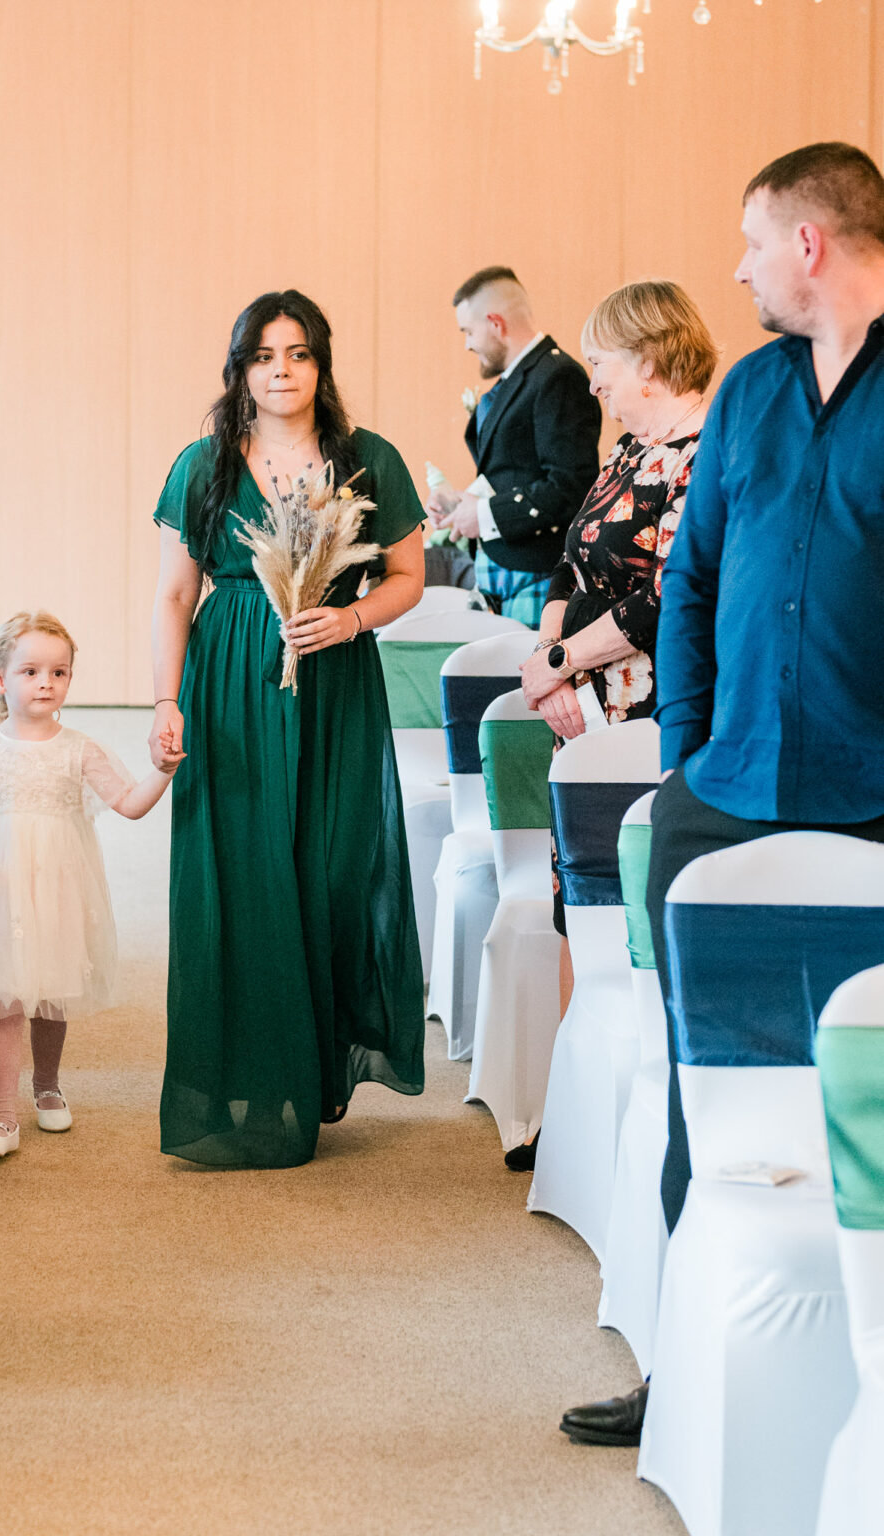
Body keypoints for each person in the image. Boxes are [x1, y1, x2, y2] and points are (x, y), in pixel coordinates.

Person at [561, 140, 884, 1449]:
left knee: (863, 1076)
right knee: (712, 1085)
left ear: (808, 244)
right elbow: (688, 582)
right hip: (725, 787)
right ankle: (685, 1362)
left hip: (871, 799)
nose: (738, 266)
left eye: (752, 240)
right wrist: (688, 751)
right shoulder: (748, 390)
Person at [149, 288, 426, 1171]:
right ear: (240, 369)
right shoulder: (204, 466)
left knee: (331, 867)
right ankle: (246, 1077)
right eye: (264, 356)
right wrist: (166, 700)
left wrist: (349, 621)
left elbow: (407, 576)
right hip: (228, 681)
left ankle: (313, 1069)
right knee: (242, 872)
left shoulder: (367, 459)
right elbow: (173, 594)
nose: (281, 371)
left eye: (298, 354)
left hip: (336, 679)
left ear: (321, 365)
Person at [510, 280, 716, 1177]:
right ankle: (575, 1108)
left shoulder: (703, 453)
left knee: (624, 900)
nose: (590, 383)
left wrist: (564, 665)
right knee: (574, 901)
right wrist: (547, 653)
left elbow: (667, 596)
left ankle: (637, 1116)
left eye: (600, 365)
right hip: (580, 707)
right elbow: (569, 554)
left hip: (645, 709)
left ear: (649, 357)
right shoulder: (629, 450)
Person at [0, 609, 183, 1161]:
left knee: (50, 995)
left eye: (59, 672)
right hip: (1, 892)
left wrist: (162, 771)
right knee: (5, 1001)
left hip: (62, 890)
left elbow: (129, 804)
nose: (46, 682)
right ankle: (2, 1119)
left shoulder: (80, 748)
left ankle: (47, 1085)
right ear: (0, 679)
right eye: (31, 672)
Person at [425, 266, 602, 626]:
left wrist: (485, 515)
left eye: (468, 331)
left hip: (537, 576)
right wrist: (463, 505)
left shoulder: (557, 377)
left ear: (495, 323)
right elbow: (514, 475)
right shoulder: (526, 378)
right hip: (506, 572)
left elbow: (571, 487)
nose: (467, 344)